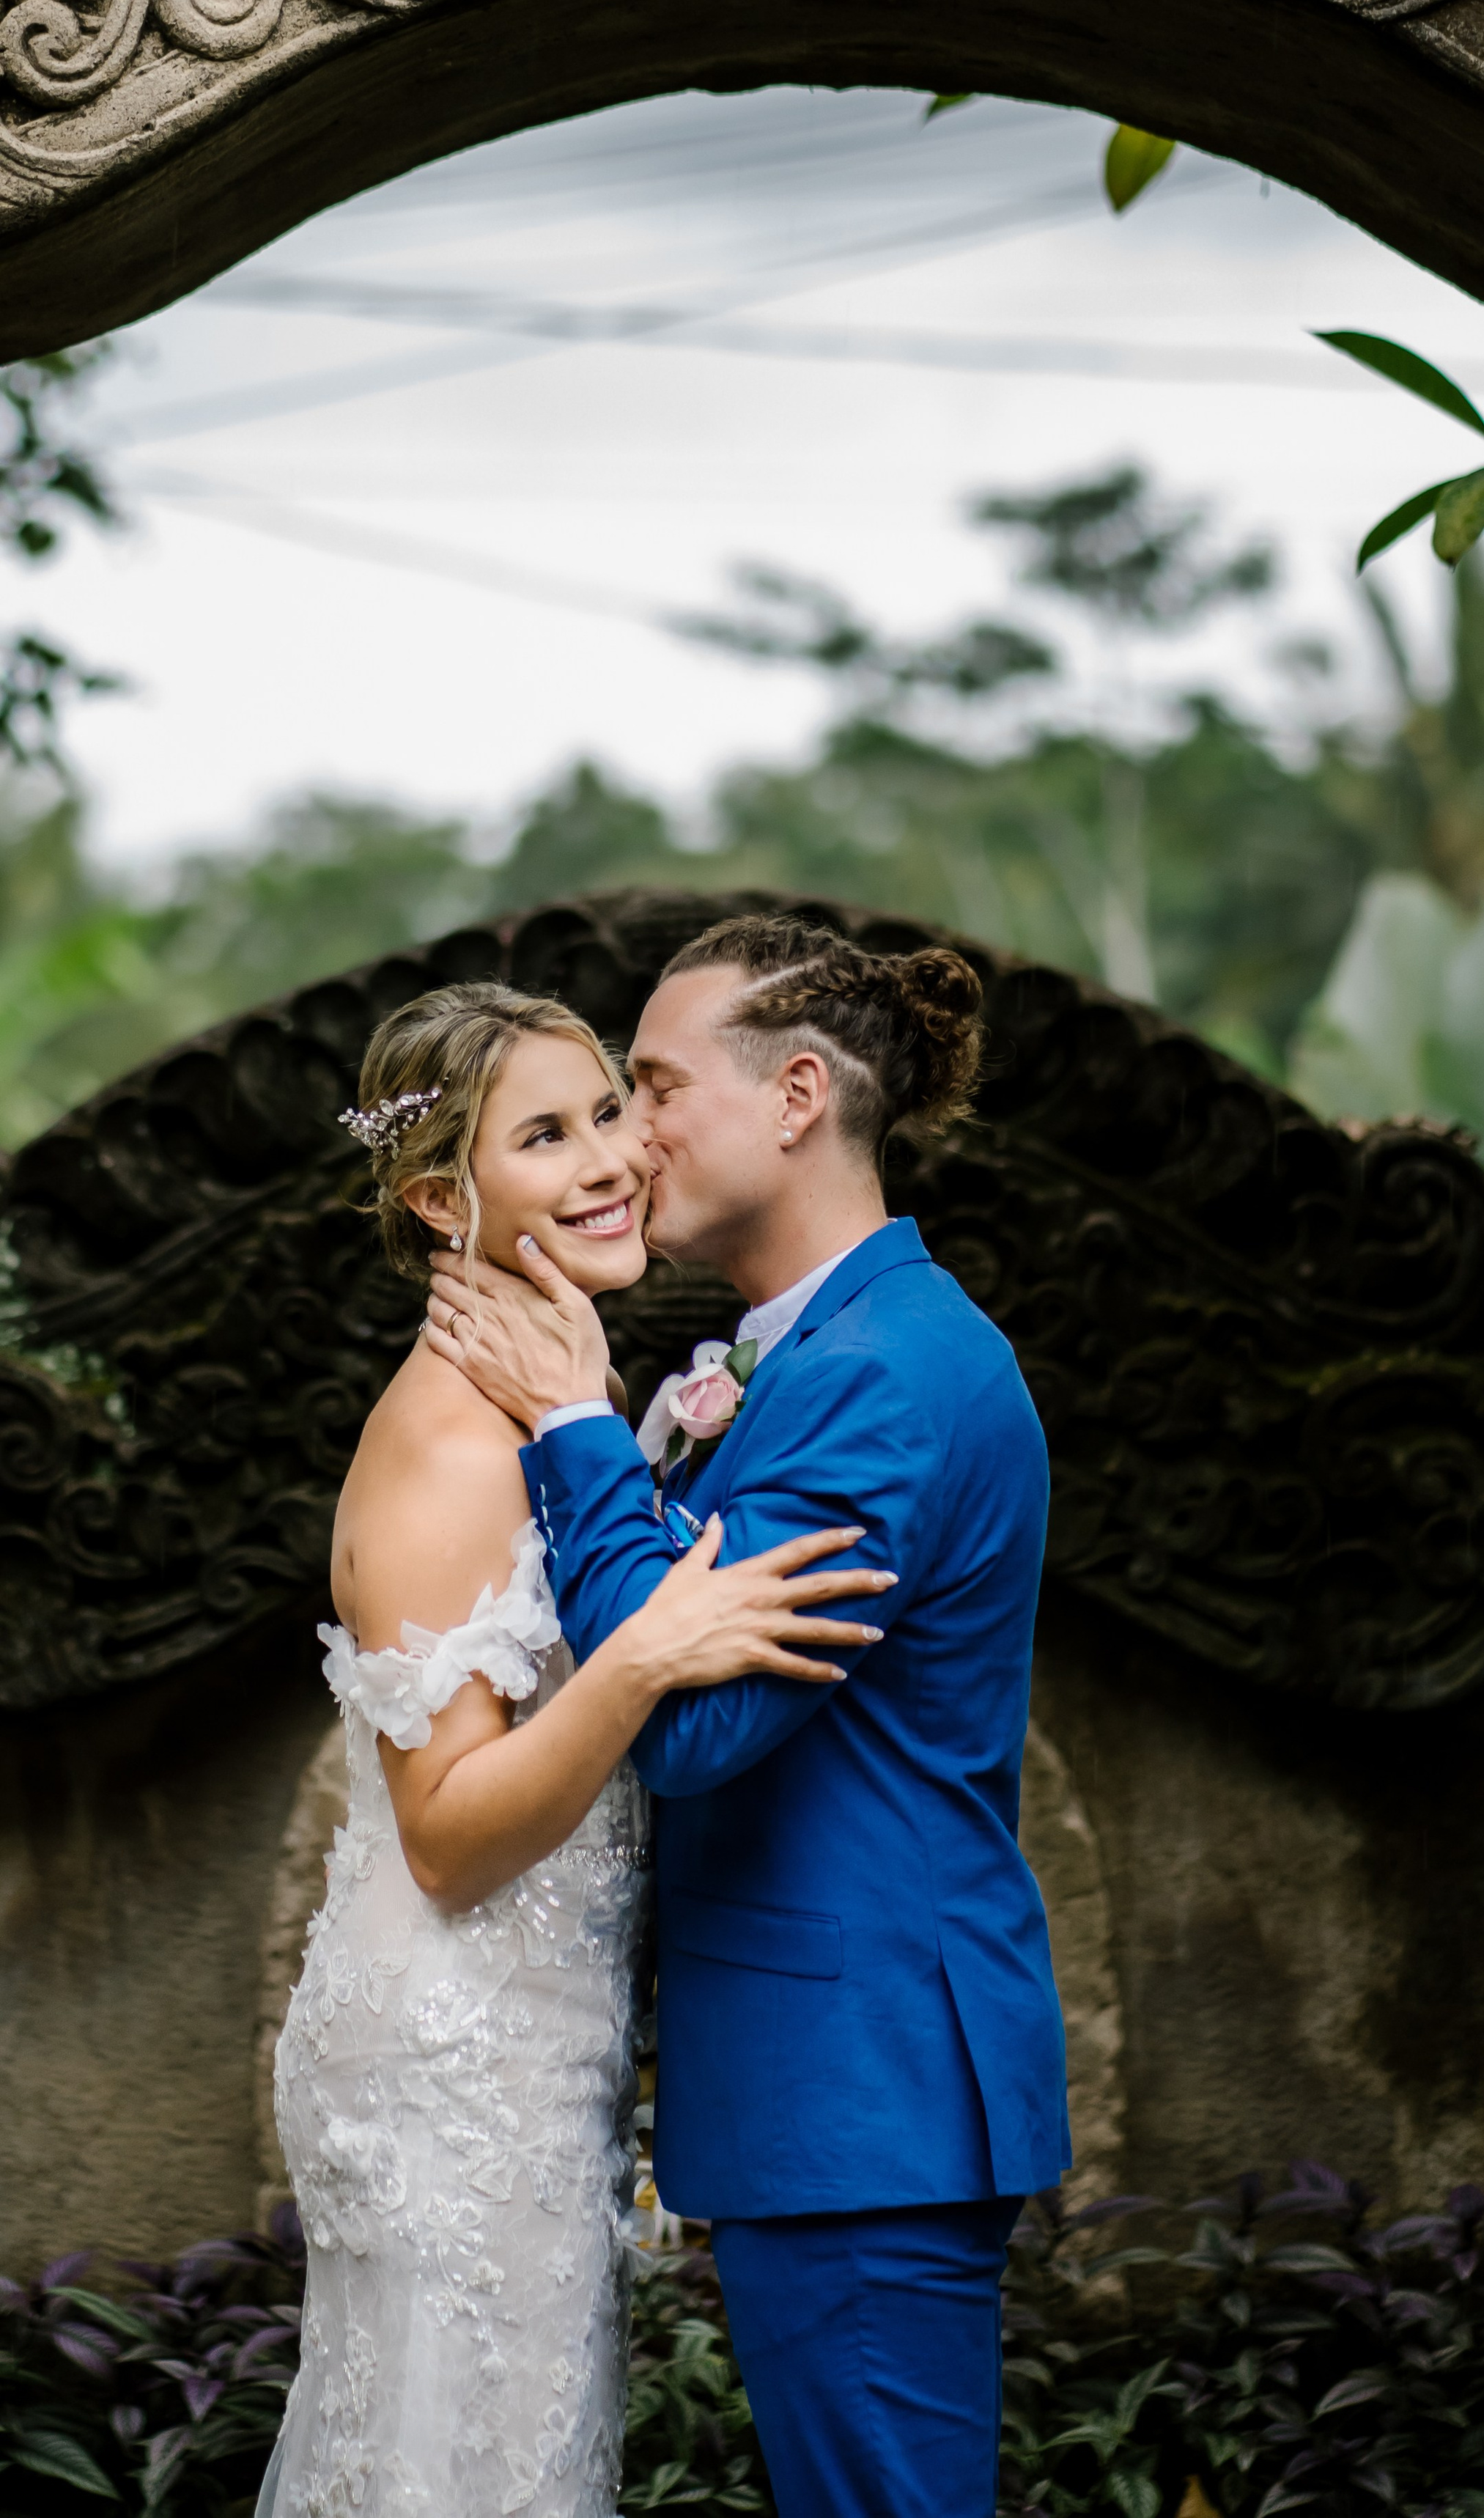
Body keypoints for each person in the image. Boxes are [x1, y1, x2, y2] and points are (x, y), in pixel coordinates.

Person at [424, 916, 1071, 2518]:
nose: (628, 1140)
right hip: (835, 2088)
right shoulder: (814, 1358)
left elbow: (697, 1729)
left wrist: (581, 1425)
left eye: (651, 1087)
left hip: (864, 2089)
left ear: (796, 1095)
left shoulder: (885, 1377)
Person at [262, 980, 893, 2518]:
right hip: (449, 2058)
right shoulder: (449, 1444)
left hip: (534, 2047)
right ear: (437, 1195)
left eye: (610, 1106)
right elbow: (449, 1834)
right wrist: (644, 1658)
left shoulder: (543, 1405)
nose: (611, 1157)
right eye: (546, 1134)